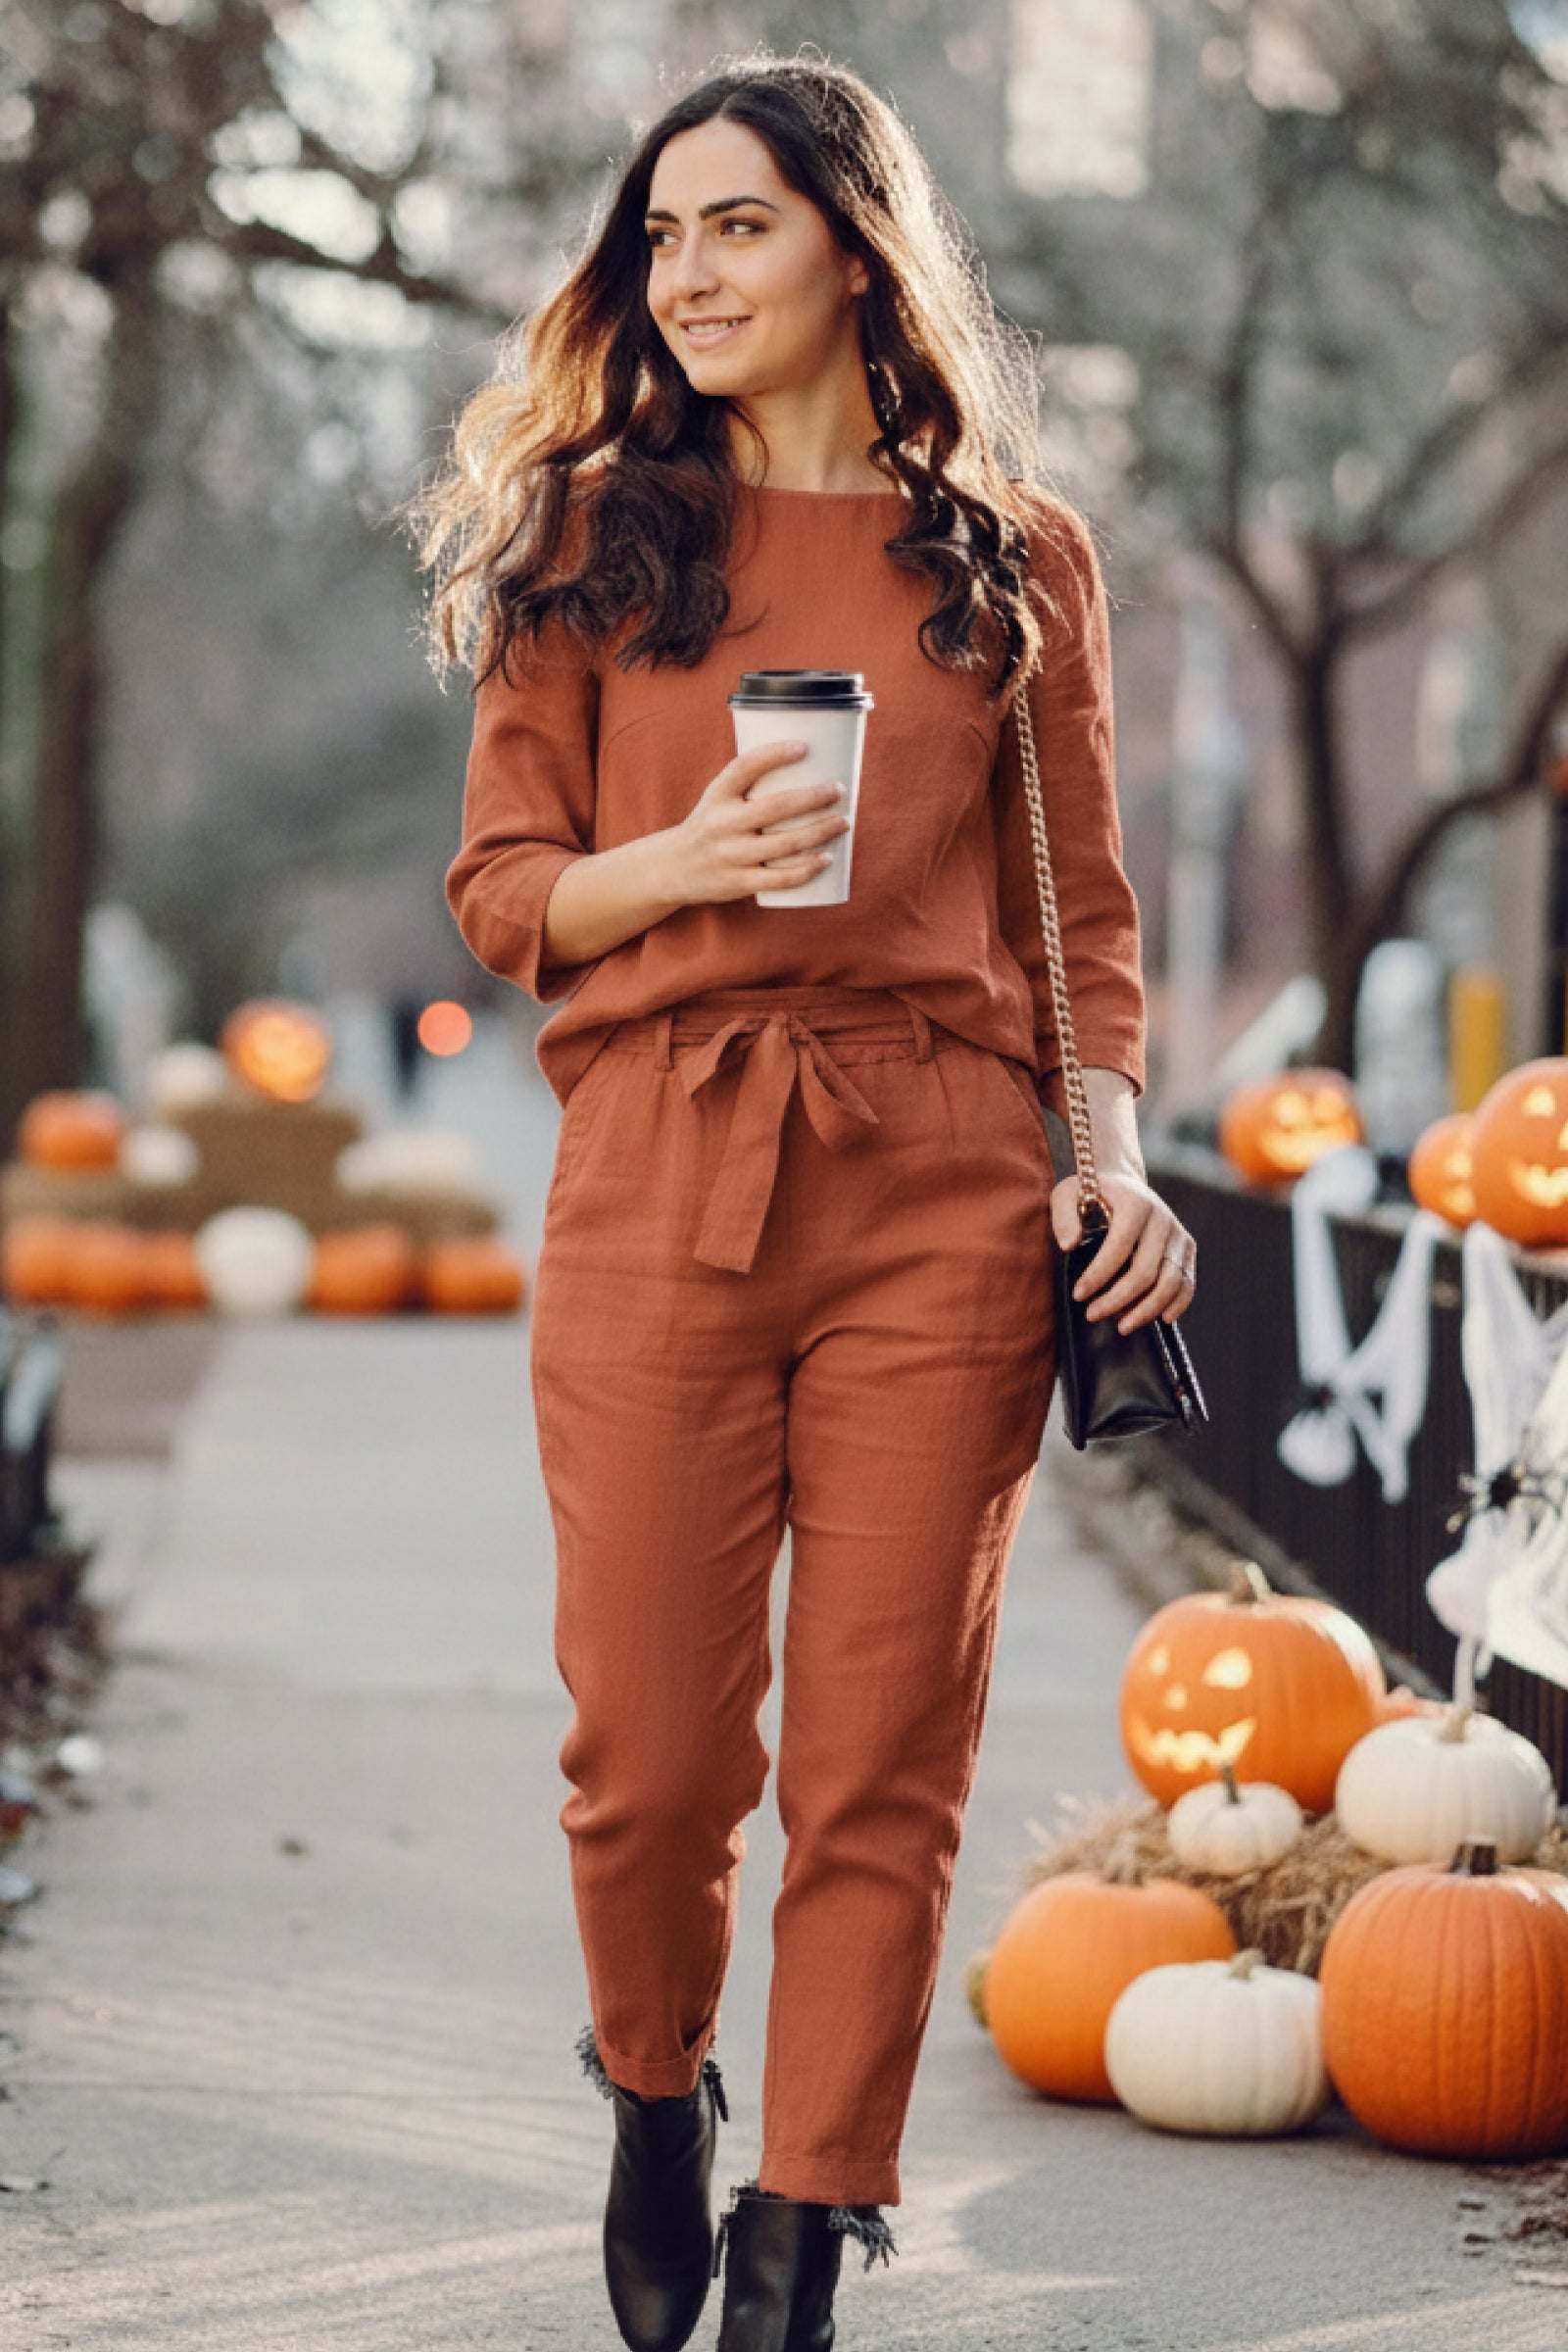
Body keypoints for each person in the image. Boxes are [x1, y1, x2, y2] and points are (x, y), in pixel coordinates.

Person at [406, 50, 1198, 2352]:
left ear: (855, 244)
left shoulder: (1012, 562)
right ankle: (652, 2089)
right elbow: (497, 884)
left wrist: (1111, 1165)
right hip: (658, 1160)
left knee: (882, 1747)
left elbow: (1085, 933)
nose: (687, 272)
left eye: (733, 225)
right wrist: (678, 867)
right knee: (649, 1754)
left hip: (940, 1184)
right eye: (660, 237)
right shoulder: (583, 538)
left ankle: (796, 2231)